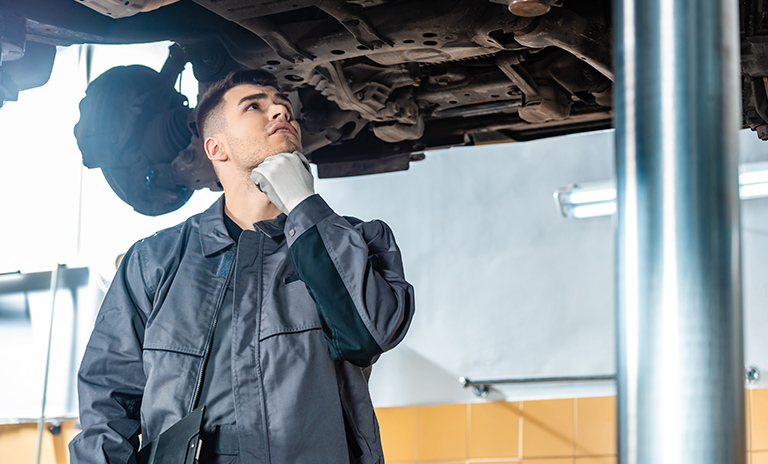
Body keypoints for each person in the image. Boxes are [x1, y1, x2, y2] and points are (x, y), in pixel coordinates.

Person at [69, 69, 415, 464]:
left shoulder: (358, 240)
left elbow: (369, 334)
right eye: (255, 106)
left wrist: (304, 207)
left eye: (284, 105)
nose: (281, 111)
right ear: (216, 148)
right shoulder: (155, 261)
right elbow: (108, 399)